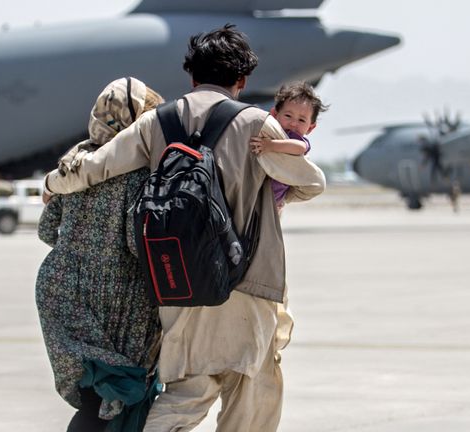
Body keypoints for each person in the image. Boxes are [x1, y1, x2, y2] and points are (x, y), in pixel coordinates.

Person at [42, 25, 326, 432]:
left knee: (185, 393)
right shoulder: (255, 124)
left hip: (178, 285)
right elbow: (311, 182)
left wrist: (53, 185)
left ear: (192, 76)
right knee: (252, 392)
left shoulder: (157, 121)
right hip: (244, 284)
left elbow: (96, 167)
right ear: (241, 80)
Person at [35, 77, 164, 432]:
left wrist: (81, 246)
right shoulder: (137, 173)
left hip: (63, 290)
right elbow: (135, 243)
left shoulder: (75, 164)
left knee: (93, 397)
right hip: (119, 299)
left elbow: (47, 231)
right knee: (120, 397)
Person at [249, 82, 328, 209]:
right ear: (274, 115)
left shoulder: (297, 139)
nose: (293, 123)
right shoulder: (271, 131)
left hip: (276, 194)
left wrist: (270, 145)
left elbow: (299, 148)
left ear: (311, 128)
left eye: (301, 120)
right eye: (288, 116)